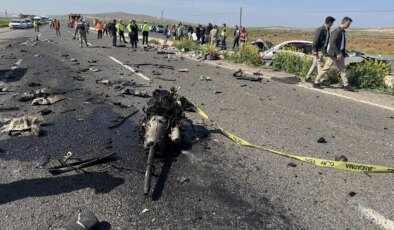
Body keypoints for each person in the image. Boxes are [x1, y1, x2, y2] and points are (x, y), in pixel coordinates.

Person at [313, 17, 356, 91]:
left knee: (343, 70)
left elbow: (341, 44)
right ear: (344, 22)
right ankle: (316, 82)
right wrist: (338, 53)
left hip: (340, 54)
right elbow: (332, 43)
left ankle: (346, 85)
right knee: (326, 68)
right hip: (333, 54)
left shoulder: (342, 31)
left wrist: (342, 53)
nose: (349, 25)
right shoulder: (337, 31)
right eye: (348, 24)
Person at [305, 16, 335, 82]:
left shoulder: (327, 30)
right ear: (329, 22)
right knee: (320, 64)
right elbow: (315, 40)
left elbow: (326, 42)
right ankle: (321, 79)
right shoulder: (320, 29)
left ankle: (308, 77)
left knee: (315, 64)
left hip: (322, 50)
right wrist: (314, 50)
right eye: (332, 23)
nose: (332, 24)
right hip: (318, 50)